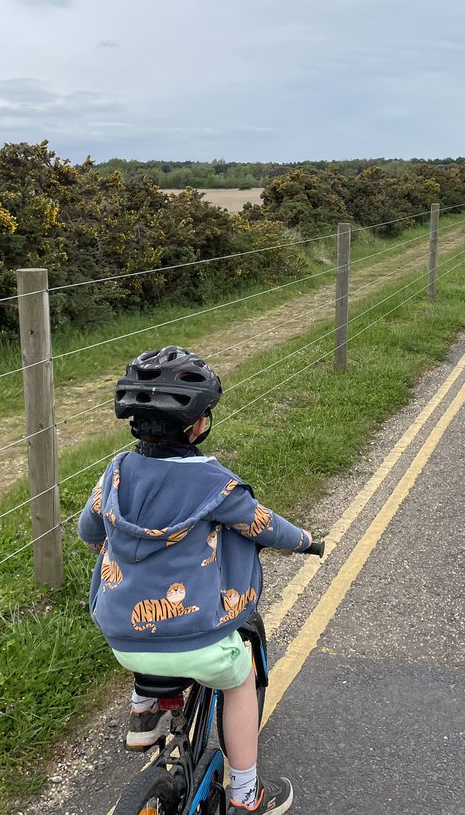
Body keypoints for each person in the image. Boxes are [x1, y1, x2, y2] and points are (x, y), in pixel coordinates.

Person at [78, 346, 312, 813]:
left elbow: (89, 531)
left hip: (121, 637)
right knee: (239, 680)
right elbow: (264, 525)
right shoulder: (213, 481)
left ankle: (143, 713)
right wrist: (304, 540)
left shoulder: (116, 473)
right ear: (198, 424)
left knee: (142, 605)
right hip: (196, 636)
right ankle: (247, 793)